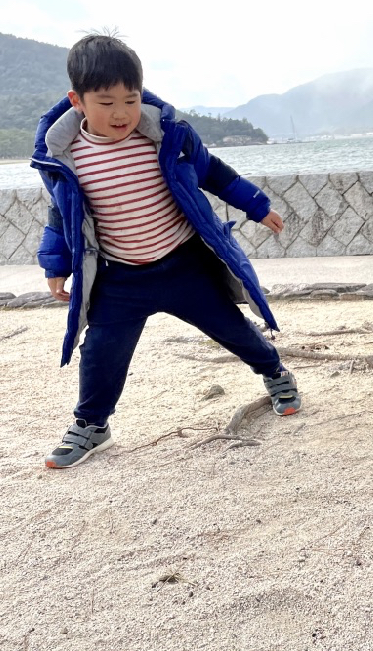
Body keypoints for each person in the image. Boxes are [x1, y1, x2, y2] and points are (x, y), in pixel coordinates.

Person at [33, 34, 302, 469]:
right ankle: (92, 425)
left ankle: (275, 373)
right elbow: (60, 215)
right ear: (77, 100)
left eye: (130, 99)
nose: (121, 112)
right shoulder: (65, 157)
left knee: (233, 329)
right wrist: (56, 264)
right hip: (120, 278)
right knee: (100, 351)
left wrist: (256, 205)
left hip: (183, 267)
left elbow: (212, 171)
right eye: (106, 102)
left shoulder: (165, 137)